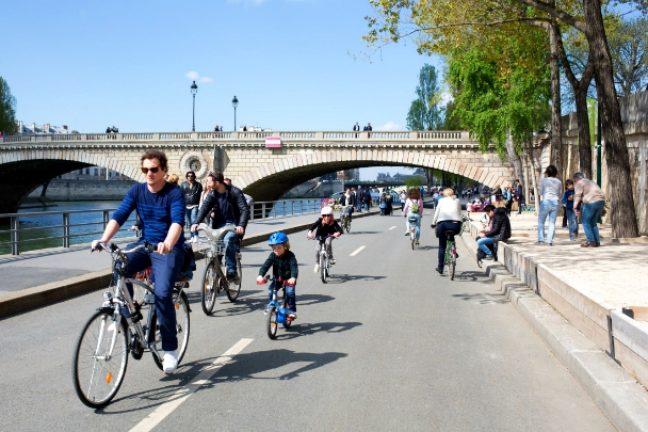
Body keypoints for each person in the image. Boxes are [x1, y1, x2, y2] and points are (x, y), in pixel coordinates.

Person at [92, 149, 185, 374]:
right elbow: (120, 215)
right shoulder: (137, 191)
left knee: (162, 293)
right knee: (120, 265)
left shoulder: (174, 193)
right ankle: (130, 312)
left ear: (163, 170)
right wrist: (104, 240)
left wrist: (169, 243)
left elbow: (177, 222)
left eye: (154, 169)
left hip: (167, 249)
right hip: (145, 244)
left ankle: (170, 349)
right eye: (145, 169)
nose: (149, 173)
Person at [191, 171, 250, 281]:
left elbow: (244, 210)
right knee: (214, 248)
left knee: (228, 240)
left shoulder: (234, 192)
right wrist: (196, 222)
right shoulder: (212, 194)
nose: (207, 183)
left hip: (233, 224)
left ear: (217, 182)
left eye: (209, 181)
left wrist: (241, 225)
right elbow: (204, 208)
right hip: (217, 225)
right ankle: (215, 270)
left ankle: (231, 270)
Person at [256, 232, 299, 319]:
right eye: (274, 248)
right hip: (278, 279)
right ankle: (271, 306)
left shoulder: (290, 256)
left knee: (290, 293)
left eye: (279, 247)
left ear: (285, 246)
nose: (276, 250)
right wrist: (260, 275)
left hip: (288, 279)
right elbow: (266, 265)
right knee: (270, 290)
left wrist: (293, 277)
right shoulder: (273, 255)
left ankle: (292, 310)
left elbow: (294, 267)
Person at [431, 187, 463, 274]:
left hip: (443, 224)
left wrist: (433, 223)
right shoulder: (457, 200)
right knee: (452, 235)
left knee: (442, 247)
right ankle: (454, 251)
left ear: (444, 194)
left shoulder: (441, 201)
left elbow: (437, 212)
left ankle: (440, 268)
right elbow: (459, 212)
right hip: (455, 224)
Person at [572, 172, 606, 247]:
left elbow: (577, 195)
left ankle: (591, 241)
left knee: (585, 222)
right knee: (593, 222)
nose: (574, 182)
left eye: (574, 181)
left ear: (576, 179)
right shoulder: (591, 182)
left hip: (591, 202)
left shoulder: (579, 183)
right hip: (601, 201)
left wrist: (574, 206)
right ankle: (596, 241)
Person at [307, 206, 343, 273]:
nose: (326, 217)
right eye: (324, 215)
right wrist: (309, 233)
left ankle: (330, 257)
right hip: (319, 236)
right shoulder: (320, 221)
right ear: (322, 216)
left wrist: (337, 233)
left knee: (328, 242)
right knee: (317, 250)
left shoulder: (334, 222)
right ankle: (317, 263)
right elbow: (312, 227)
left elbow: (340, 229)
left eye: (328, 215)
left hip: (329, 235)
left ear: (331, 216)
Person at [537, 164, 563, 246]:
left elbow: (540, 192)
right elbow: (560, 193)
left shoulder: (544, 180)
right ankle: (549, 241)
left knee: (541, 221)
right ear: (555, 173)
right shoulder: (559, 181)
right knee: (552, 223)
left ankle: (541, 239)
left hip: (546, 201)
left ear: (547, 172)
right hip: (555, 202)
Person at [181, 171, 202, 243]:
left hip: (195, 205)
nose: (190, 177)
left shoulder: (198, 185)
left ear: (194, 177)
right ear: (186, 177)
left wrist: (200, 204)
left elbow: (200, 195)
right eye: (188, 176)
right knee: (189, 222)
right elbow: (181, 195)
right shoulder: (183, 185)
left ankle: (196, 235)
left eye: (191, 176)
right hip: (186, 205)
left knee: (193, 220)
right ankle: (192, 236)